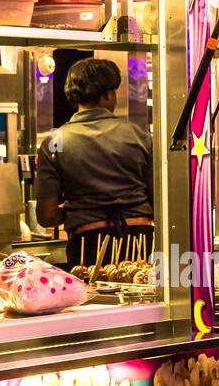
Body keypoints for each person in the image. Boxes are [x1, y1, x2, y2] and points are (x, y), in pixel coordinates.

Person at [35, 57, 154, 268]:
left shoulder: (55, 142)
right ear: (108, 94)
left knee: (95, 300)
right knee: (143, 299)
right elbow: (157, 199)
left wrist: (78, 210)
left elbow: (47, 216)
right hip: (140, 239)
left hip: (87, 244)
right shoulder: (138, 136)